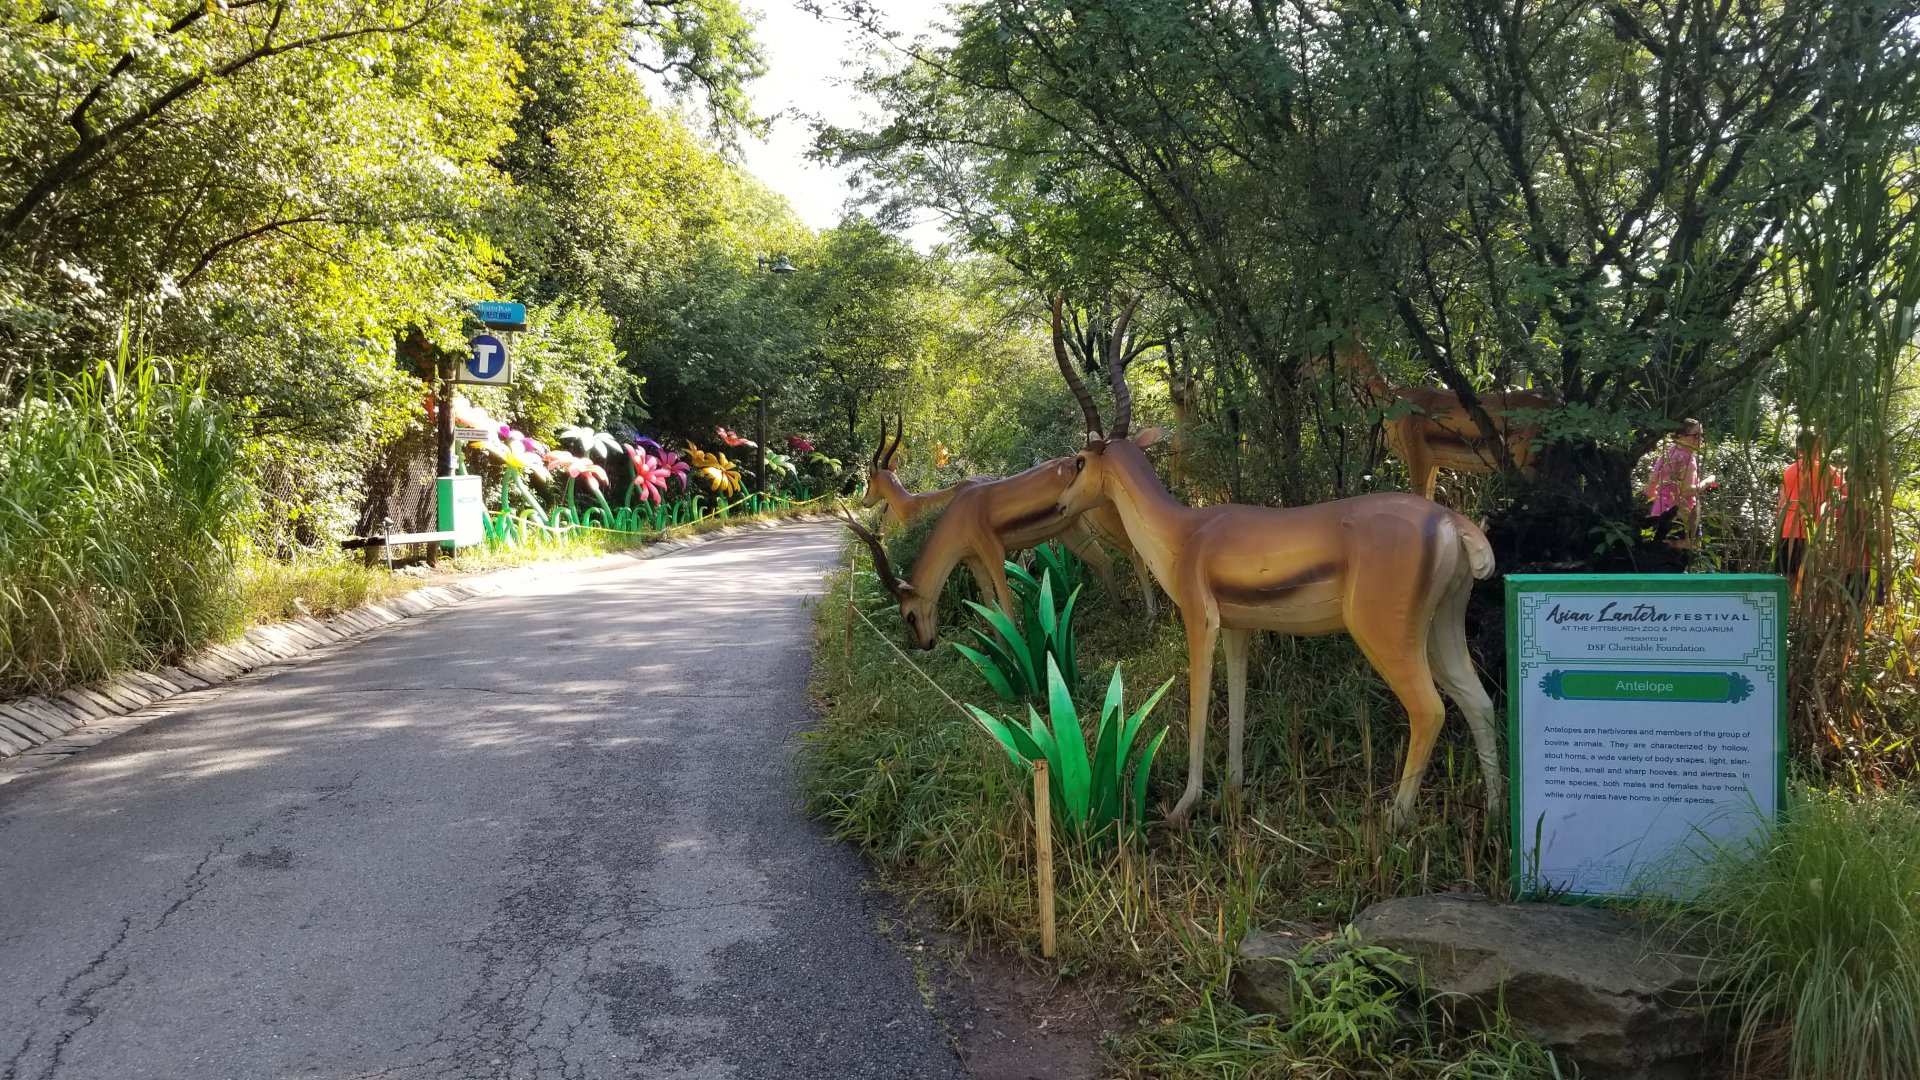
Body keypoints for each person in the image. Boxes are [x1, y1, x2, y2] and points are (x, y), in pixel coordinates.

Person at [1775, 430, 1846, 587]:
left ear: (1799, 448)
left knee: (1790, 578)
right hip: (1816, 531)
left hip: (1789, 531)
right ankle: (1808, 611)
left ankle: (1790, 610)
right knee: (1812, 579)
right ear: (1818, 446)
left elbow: (1781, 502)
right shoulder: (1828, 471)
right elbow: (1844, 499)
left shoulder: (1789, 470)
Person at [1642, 419, 1715, 546]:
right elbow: (1688, 491)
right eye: (1696, 435)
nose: (1701, 439)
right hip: (1682, 518)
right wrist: (1709, 481)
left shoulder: (1665, 456)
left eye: (1702, 435)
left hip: (1658, 517)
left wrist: (1665, 501)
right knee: (1687, 560)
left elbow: (1649, 491)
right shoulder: (1688, 459)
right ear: (1680, 436)